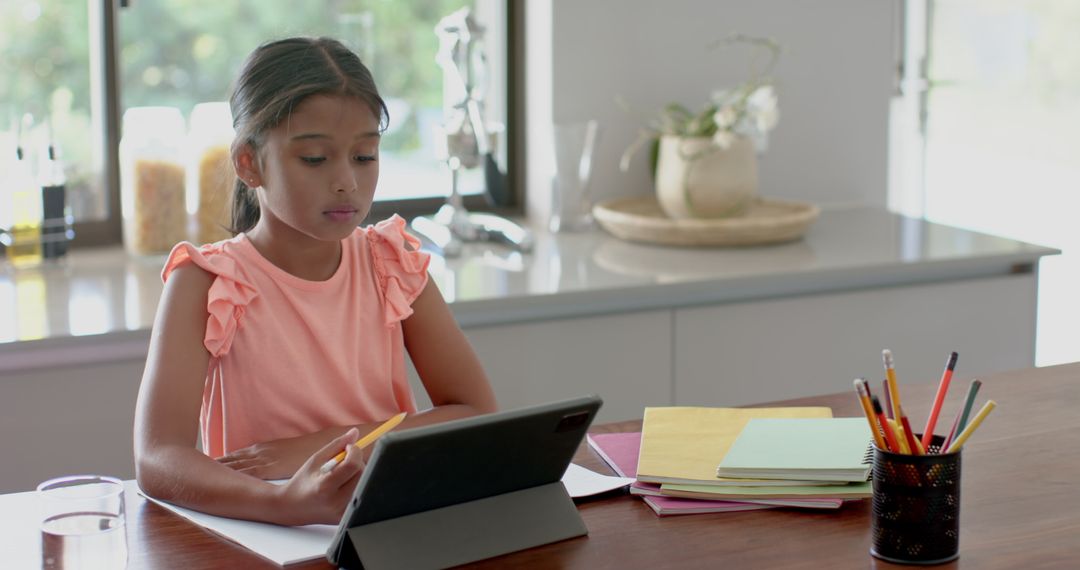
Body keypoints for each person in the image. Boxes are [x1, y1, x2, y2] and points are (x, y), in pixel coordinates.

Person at [133, 37, 497, 526]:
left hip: (387, 520)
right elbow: (157, 458)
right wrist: (284, 506)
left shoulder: (392, 261)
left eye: (365, 156)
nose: (347, 180)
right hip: (263, 534)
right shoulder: (206, 281)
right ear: (249, 163)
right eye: (314, 159)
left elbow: (475, 409)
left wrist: (325, 448)